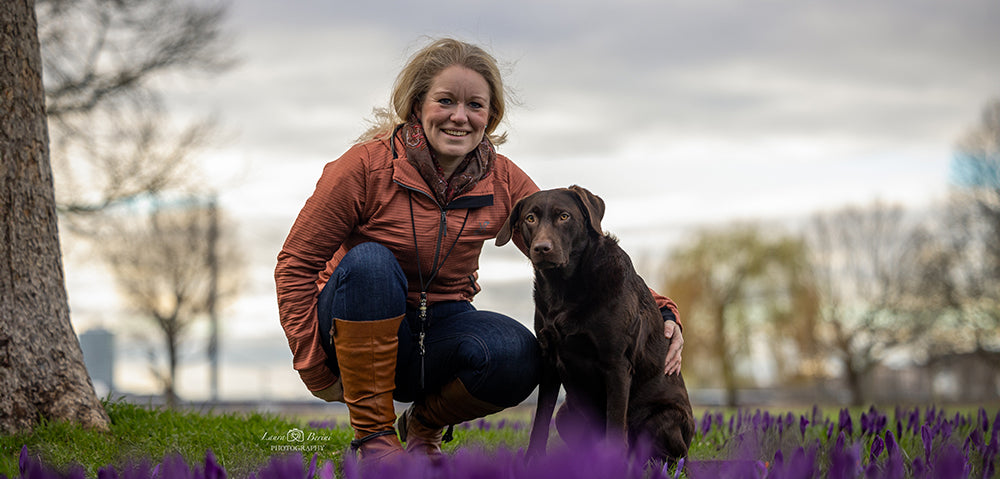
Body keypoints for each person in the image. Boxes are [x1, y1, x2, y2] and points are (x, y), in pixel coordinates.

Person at [274, 37, 685, 464]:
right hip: (355, 325)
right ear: (418, 105)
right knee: (372, 264)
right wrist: (313, 365)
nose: (459, 116)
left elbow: (580, 253)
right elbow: (295, 265)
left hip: (437, 329)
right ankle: (375, 441)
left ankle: (422, 426)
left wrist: (662, 312)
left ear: (490, 116)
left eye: (475, 105)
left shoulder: (501, 179)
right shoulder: (364, 167)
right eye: (445, 101)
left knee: (519, 353)